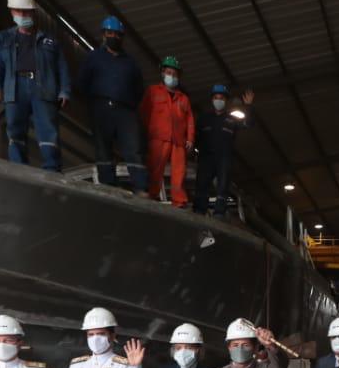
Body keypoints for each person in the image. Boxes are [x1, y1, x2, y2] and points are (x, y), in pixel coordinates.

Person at [0, 0, 70, 171]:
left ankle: (52, 170)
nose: (23, 15)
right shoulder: (3, 38)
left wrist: (65, 89)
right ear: (12, 12)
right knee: (15, 130)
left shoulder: (49, 40)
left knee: (48, 131)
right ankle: (20, 170)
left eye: (26, 11)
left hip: (42, 88)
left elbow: (62, 67)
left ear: (33, 12)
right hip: (15, 88)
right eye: (19, 11)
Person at [75, 15, 148, 192]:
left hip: (125, 111)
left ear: (122, 37)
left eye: (117, 34)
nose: (113, 37)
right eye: (110, 33)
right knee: (102, 149)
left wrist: (127, 104)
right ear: (103, 35)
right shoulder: (93, 58)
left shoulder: (130, 63)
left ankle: (140, 188)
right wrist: (94, 103)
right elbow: (82, 83)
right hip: (100, 109)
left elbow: (139, 89)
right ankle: (108, 186)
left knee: (133, 149)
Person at [140, 55, 195, 205]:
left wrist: (190, 138)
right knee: (155, 168)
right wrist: (148, 132)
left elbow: (190, 119)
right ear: (163, 73)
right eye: (169, 73)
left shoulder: (183, 98)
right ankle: (152, 195)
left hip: (178, 140)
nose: (172, 76)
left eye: (175, 74)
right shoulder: (153, 91)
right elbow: (144, 112)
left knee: (179, 172)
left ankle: (179, 200)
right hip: (158, 137)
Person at [193, 85, 254, 217]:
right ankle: (199, 211)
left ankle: (219, 212)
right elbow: (194, 136)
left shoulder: (231, 119)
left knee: (223, 186)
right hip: (206, 157)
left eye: (221, 98)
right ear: (212, 99)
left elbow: (247, 124)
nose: (218, 100)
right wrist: (195, 152)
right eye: (216, 97)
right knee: (202, 184)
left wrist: (248, 106)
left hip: (224, 158)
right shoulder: (204, 118)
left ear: (226, 101)